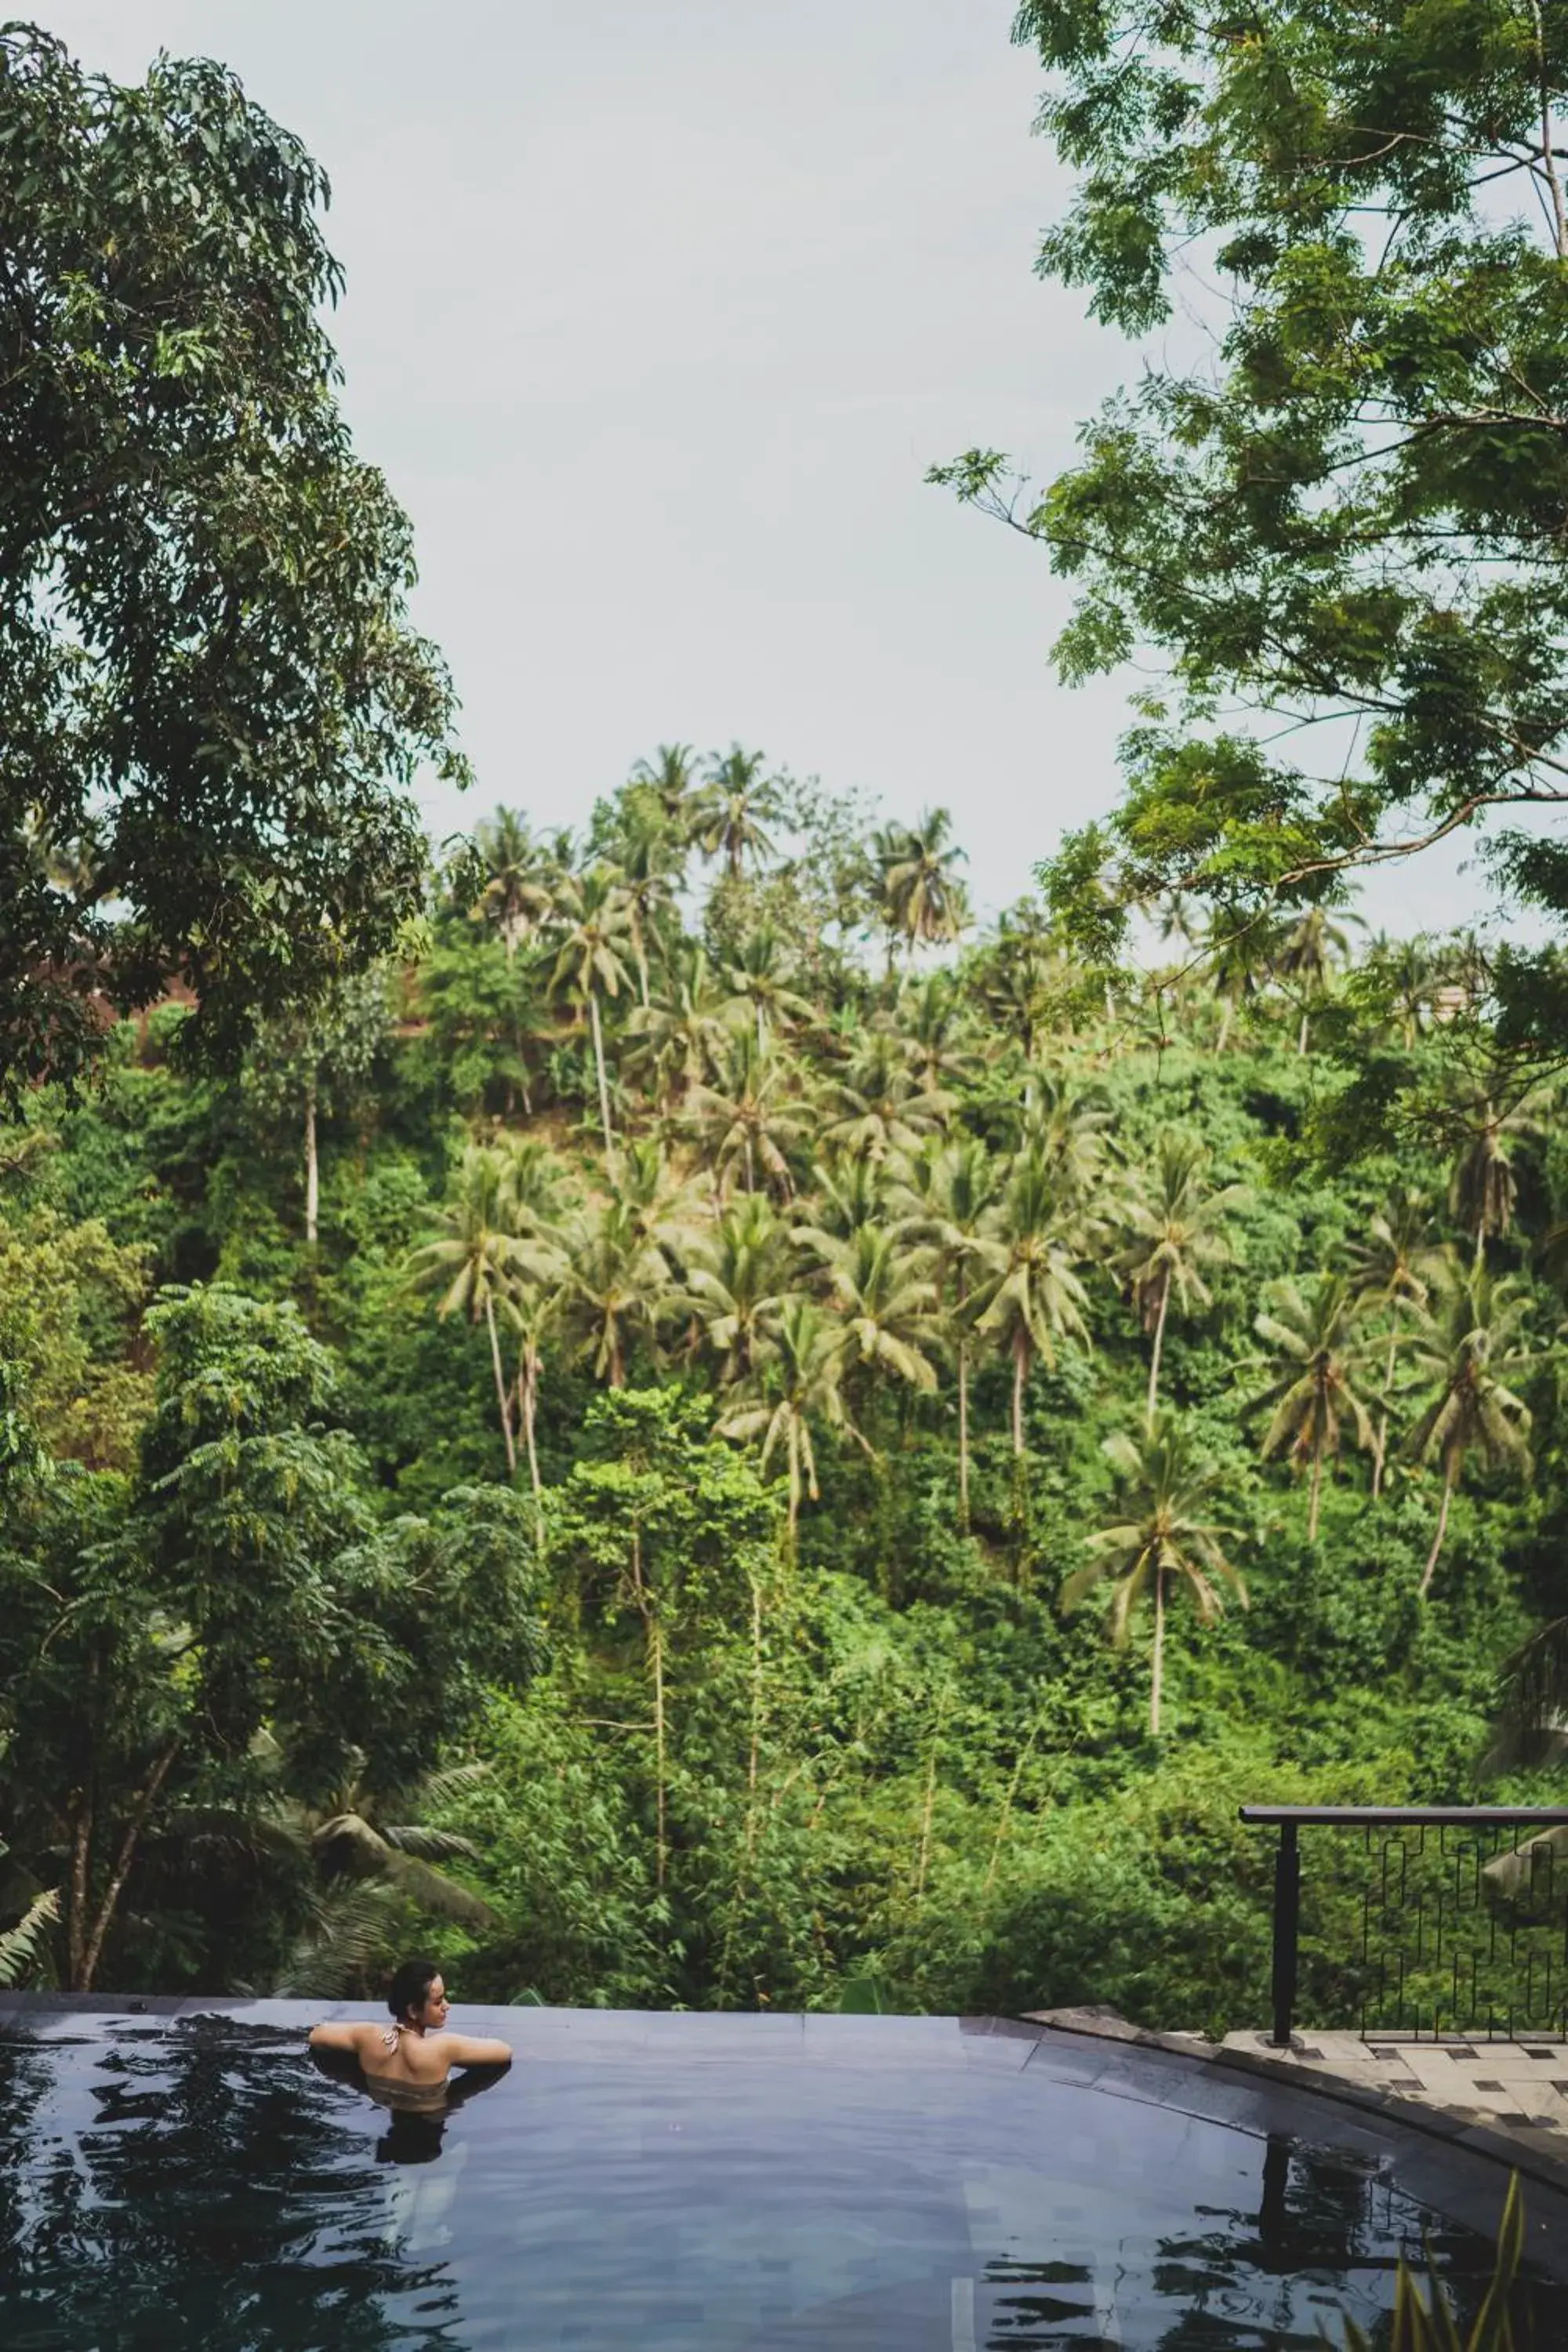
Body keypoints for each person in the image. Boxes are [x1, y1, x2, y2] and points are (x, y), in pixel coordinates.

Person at [308, 1958, 513, 2107]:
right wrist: (458, 2057)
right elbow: (504, 2051)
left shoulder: (367, 2037)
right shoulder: (444, 2048)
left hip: (387, 2112)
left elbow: (317, 2035)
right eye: (438, 2001)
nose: (447, 2006)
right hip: (430, 2124)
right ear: (413, 2010)